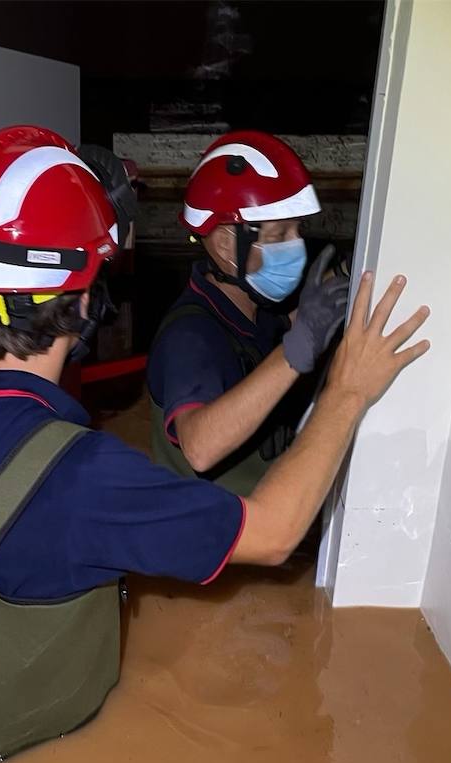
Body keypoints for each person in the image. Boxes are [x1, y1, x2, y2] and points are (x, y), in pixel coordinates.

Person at [0, 125, 430, 762]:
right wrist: (348, 391)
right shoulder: (84, 475)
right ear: (85, 297)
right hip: (52, 743)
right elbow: (273, 534)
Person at [148, 131, 350, 495]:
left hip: (254, 527)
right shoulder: (191, 336)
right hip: (208, 543)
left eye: (297, 230)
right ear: (227, 245)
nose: (296, 246)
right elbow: (200, 447)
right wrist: (297, 349)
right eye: (278, 236)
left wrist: (346, 279)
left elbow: (283, 327)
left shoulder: (253, 310)